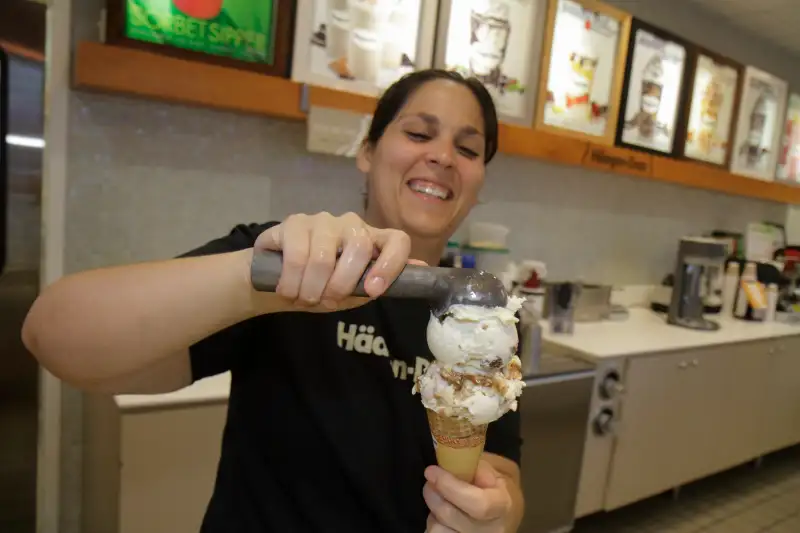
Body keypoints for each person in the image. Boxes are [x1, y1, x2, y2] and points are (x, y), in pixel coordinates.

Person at [23, 69, 524, 533]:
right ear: (367, 151)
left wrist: (494, 515)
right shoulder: (279, 255)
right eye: (418, 133)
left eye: (468, 149)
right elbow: (52, 336)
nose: (442, 156)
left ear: (480, 182)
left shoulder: (480, 314)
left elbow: (504, 476)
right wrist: (260, 279)